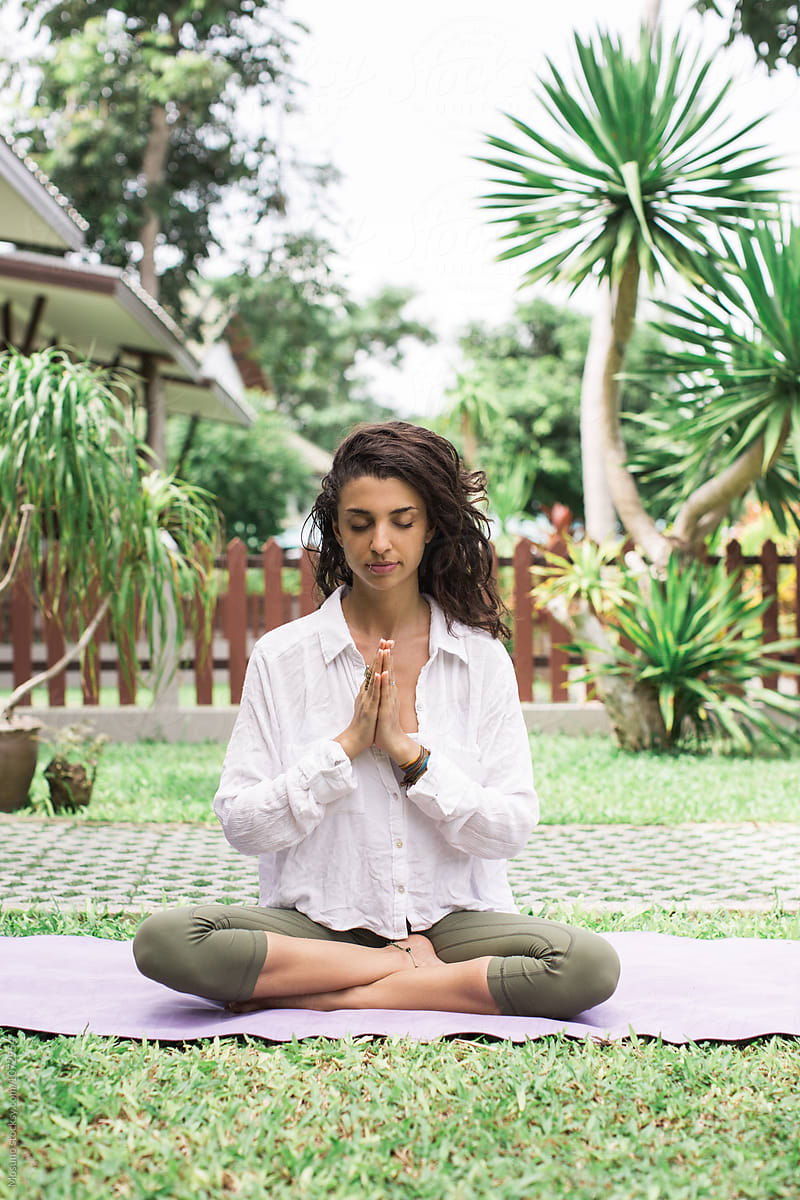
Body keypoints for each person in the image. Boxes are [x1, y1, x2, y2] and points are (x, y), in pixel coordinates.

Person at [134, 422, 620, 1018]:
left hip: (450, 923)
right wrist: (345, 747)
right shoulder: (284, 656)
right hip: (319, 927)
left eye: (402, 521)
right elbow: (242, 824)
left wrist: (409, 755)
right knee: (165, 941)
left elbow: (511, 827)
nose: (380, 543)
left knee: (587, 965)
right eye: (360, 523)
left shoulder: (479, 657)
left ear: (432, 526)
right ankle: (399, 972)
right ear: (337, 529)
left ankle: (323, 999)